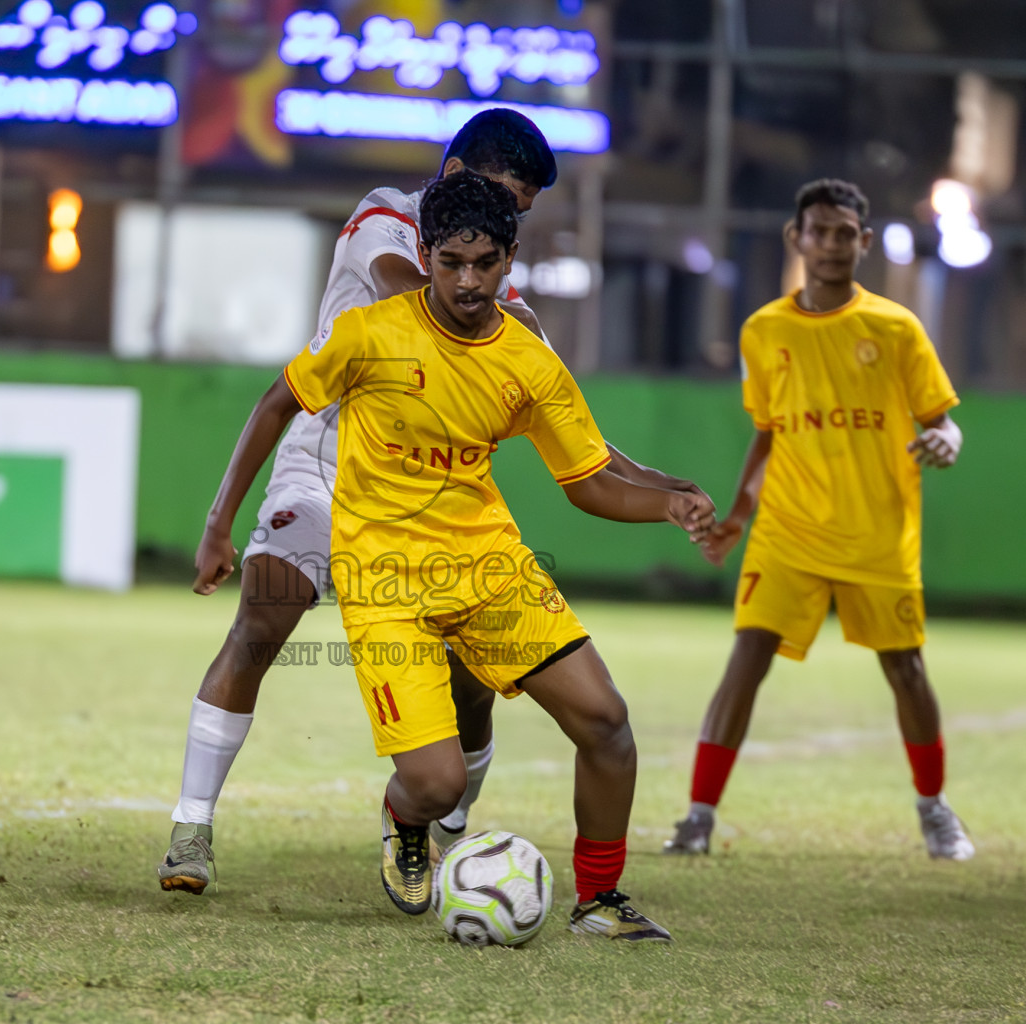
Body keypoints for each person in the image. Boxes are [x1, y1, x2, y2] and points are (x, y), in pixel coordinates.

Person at [158, 109, 704, 894]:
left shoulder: (496, 301)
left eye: (516, 218)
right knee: (261, 621)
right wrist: (497, 314)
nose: (505, 224)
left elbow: (567, 425)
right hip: (326, 469)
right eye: (503, 200)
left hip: (436, 504)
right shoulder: (390, 220)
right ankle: (191, 827)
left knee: (473, 685)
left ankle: (438, 820)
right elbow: (403, 295)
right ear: (454, 180)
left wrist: (660, 486)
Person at [664, 178, 974, 860]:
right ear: (795, 238)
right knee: (745, 661)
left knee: (906, 669)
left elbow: (942, 424)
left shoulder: (896, 328)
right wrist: (738, 515)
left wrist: (945, 442)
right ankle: (697, 818)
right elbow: (769, 433)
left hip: (876, 531)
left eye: (844, 234)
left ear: (863, 242)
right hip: (788, 530)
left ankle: (934, 811)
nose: (831, 244)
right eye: (819, 231)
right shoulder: (763, 330)